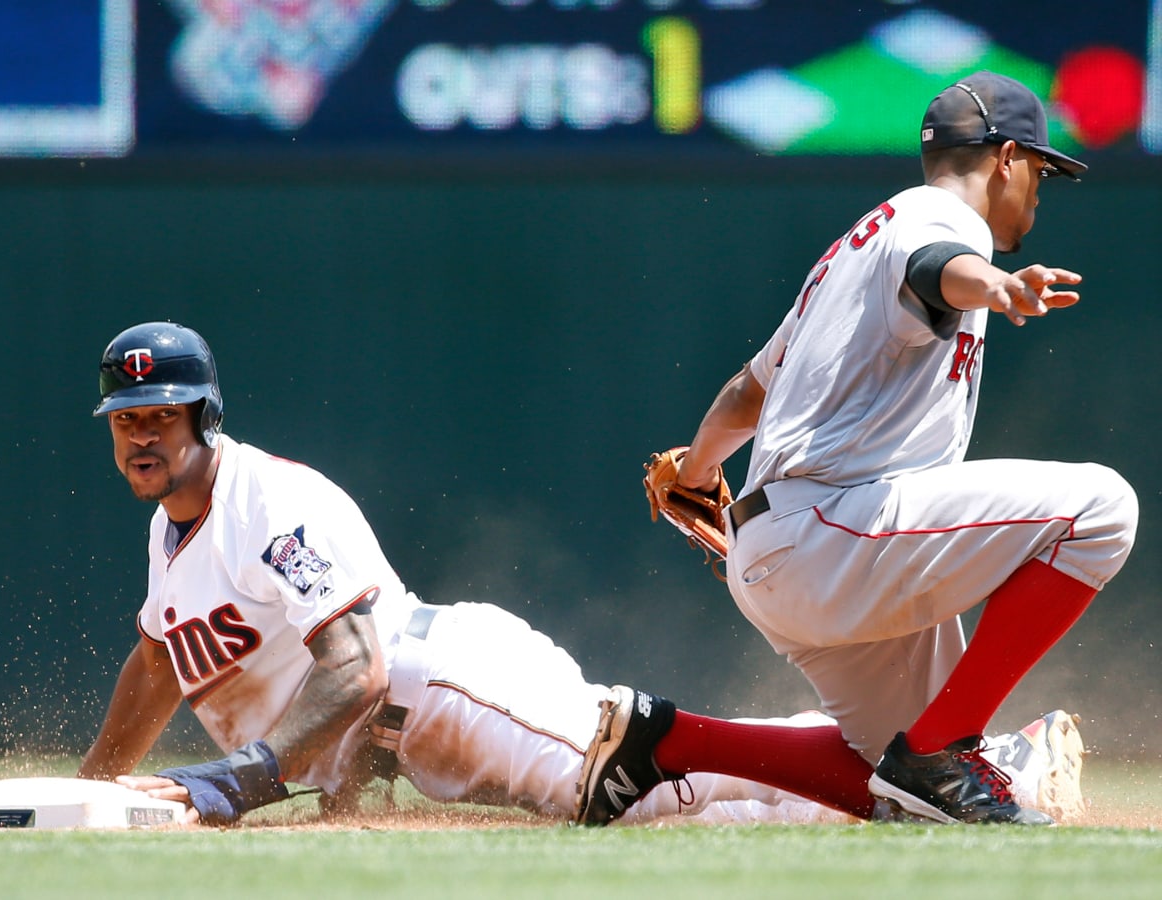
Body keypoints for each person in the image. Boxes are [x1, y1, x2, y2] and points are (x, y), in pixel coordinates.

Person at [77, 321, 1086, 827]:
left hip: (445, 686)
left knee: (655, 793)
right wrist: (91, 791)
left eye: (161, 415)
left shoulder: (265, 502)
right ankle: (953, 759)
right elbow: (161, 656)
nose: (141, 436)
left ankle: (987, 761)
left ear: (204, 416)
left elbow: (357, 668)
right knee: (664, 785)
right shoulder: (175, 530)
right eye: (127, 422)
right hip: (428, 716)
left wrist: (251, 778)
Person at [587, 71, 1136, 827]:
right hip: (835, 532)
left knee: (907, 796)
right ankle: (942, 749)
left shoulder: (848, 250)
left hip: (792, 553)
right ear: (1005, 157)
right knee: (1103, 510)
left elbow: (747, 394)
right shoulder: (939, 220)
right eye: (1039, 169)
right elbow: (937, 269)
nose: (1040, 191)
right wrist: (1001, 287)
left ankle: (667, 743)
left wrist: (699, 470)